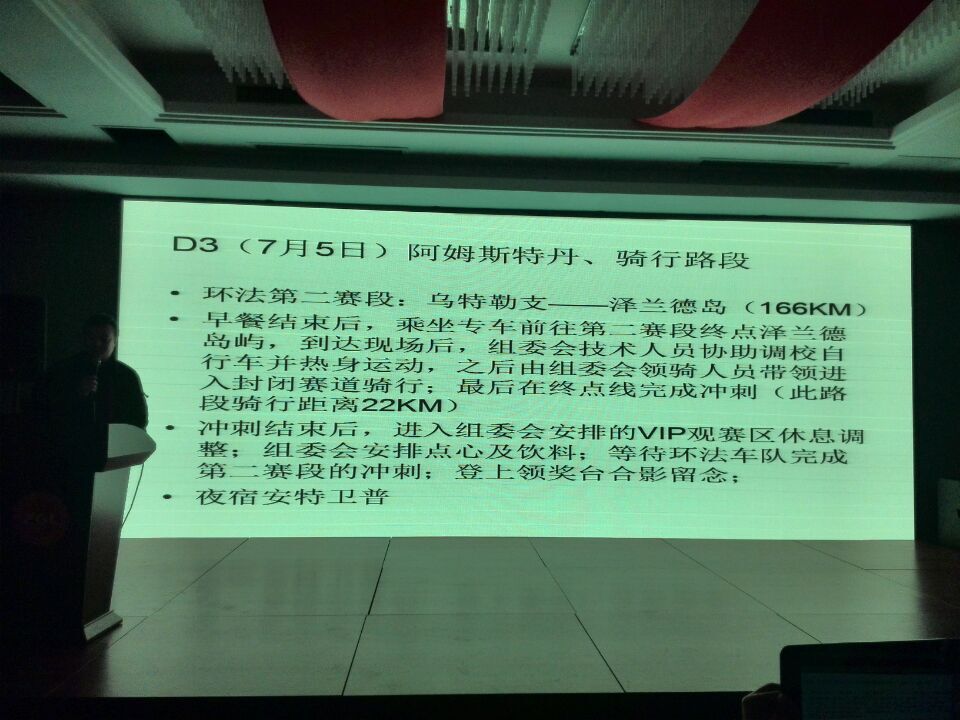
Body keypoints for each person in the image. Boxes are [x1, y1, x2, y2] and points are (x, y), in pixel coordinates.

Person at [32, 313, 147, 469]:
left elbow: (139, 419)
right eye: (91, 338)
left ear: (115, 341)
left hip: (112, 458)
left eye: (104, 339)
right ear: (83, 339)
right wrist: (76, 394)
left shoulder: (126, 376)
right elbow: (41, 410)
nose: (97, 344)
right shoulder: (62, 370)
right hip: (65, 457)